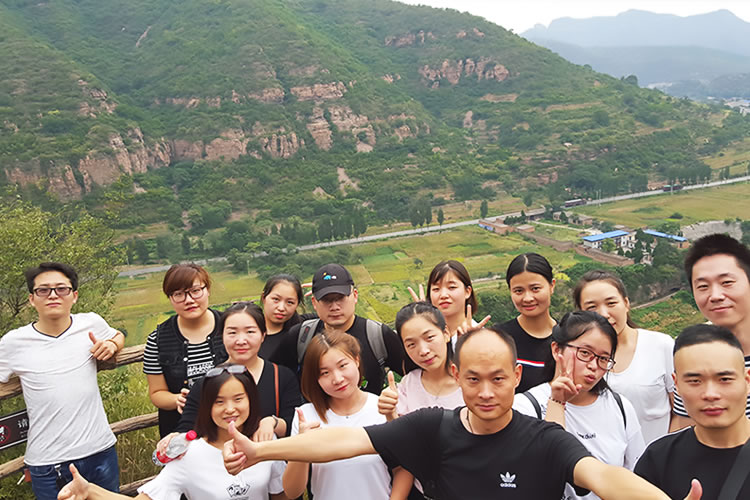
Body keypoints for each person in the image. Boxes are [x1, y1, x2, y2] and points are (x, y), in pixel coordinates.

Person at [223, 327, 694, 500]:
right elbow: (346, 440)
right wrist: (262, 452)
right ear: (456, 375)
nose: (486, 392)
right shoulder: (433, 427)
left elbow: (605, 477)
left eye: (498, 379)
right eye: (473, 379)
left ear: (516, 376)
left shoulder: (545, 438)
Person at [57, 364, 287, 500]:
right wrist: (89, 491)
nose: (229, 409)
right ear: (207, 407)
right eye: (219, 402)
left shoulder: (265, 442)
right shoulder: (189, 454)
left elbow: (281, 495)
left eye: (238, 399)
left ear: (251, 400)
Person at [0, 262, 124, 499]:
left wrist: (112, 344)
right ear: (31, 299)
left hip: (100, 450)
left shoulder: (90, 323)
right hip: (48, 462)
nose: (53, 295)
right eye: (43, 290)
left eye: (61, 289)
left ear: (74, 295)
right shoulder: (13, 343)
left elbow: (117, 335)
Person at [513, 311, 645, 500]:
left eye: (603, 359)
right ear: (556, 350)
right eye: (585, 353)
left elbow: (636, 475)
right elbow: (539, 472)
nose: (593, 365)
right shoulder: (525, 407)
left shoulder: (620, 407)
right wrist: (557, 403)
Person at [635, 324, 750, 498]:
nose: (710, 394)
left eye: (724, 379)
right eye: (695, 381)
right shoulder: (658, 459)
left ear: (747, 381)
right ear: (676, 385)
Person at [574, 269, 683, 442]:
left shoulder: (661, 345)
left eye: (611, 303)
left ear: (626, 303)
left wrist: (665, 452)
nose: (603, 314)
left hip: (656, 456)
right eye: (592, 307)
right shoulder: (576, 357)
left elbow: (681, 412)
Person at [283, 330, 391, 500]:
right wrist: (301, 447)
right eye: (325, 373)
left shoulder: (383, 409)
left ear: (356, 360)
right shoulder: (306, 416)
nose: (337, 379)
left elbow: (402, 470)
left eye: (342, 366)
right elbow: (292, 491)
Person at [173, 302, 301, 439]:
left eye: (250, 332)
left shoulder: (282, 377)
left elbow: (294, 426)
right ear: (222, 336)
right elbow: (187, 429)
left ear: (263, 335)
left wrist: (272, 422)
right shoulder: (207, 382)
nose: (241, 341)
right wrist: (175, 437)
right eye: (232, 333)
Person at [378, 302, 463, 499]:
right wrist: (390, 414)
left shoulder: (472, 382)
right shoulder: (408, 384)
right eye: (411, 344)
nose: (423, 350)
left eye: (429, 337)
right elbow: (403, 450)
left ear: (446, 333)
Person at [283, 263, 404, 394]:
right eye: (326, 300)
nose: (334, 307)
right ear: (314, 303)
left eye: (340, 298)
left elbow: (416, 374)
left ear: (355, 296)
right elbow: (275, 378)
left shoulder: (378, 335)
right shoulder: (301, 336)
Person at [142, 263, 228, 437]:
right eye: (179, 294)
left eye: (195, 291)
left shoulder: (230, 327)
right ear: (170, 298)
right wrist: (178, 400)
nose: (189, 300)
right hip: (182, 432)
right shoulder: (157, 340)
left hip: (231, 426)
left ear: (207, 290)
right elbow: (157, 393)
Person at [675, 233, 750, 418]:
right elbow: (686, 425)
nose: (715, 295)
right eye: (703, 286)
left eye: (727, 283)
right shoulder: (691, 351)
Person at [496, 252, 557, 393]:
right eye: (519, 291)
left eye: (535, 289)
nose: (527, 298)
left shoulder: (569, 337)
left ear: (552, 286)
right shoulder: (499, 338)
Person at [409, 261, 489, 346]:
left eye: (452, 287)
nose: (443, 295)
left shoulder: (481, 339)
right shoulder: (425, 336)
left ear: (467, 292)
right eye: (436, 289)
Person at [258, 274, 304, 368]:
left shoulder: (302, 333)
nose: (281, 308)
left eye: (290, 302)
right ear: (264, 298)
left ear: (297, 304)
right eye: (276, 299)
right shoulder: (247, 333)